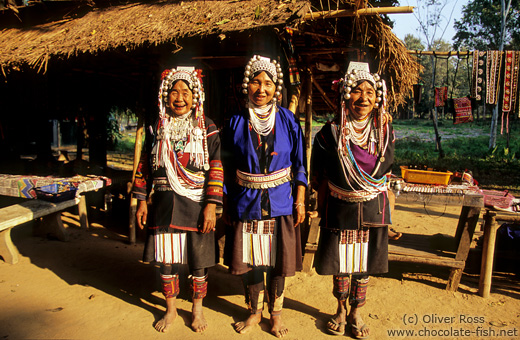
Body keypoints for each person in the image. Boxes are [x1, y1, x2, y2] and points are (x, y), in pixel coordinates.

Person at [222, 55, 307, 338]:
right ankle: (253, 313)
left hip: (281, 203)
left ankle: (276, 315)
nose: (261, 89)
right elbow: (223, 165)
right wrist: (225, 201)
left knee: (277, 262)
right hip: (247, 203)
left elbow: (299, 165)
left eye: (267, 83)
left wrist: (300, 199)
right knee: (251, 261)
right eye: (256, 82)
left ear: (276, 89)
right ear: (247, 86)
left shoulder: (288, 121)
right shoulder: (235, 122)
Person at [133, 67, 223, 333]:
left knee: (199, 261)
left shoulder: (208, 127)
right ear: (165, 96)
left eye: (186, 92)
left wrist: (211, 205)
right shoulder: (156, 127)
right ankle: (171, 309)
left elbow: (216, 166)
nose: (180, 97)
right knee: (167, 261)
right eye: (174, 92)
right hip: (164, 205)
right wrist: (140, 201)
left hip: (196, 204)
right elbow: (144, 167)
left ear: (195, 96)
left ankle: (196, 309)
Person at [310, 62, 394, 339]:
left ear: (377, 97)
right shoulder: (329, 133)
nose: (364, 98)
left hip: (373, 207)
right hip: (340, 207)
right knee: (342, 262)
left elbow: (387, 172)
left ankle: (357, 312)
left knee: (364, 264)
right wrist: (317, 206)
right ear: (346, 94)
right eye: (357, 91)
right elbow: (318, 173)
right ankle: (340, 309)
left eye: (370, 92)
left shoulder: (384, 133)